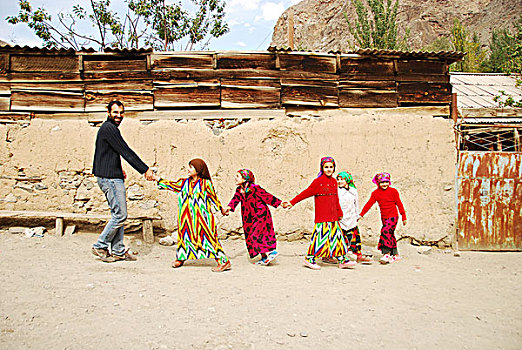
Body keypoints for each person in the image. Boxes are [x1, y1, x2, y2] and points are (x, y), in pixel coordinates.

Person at [91, 100, 154, 262]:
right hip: (109, 178)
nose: (119, 116)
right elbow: (126, 151)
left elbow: (109, 152)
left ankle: (118, 250)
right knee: (120, 215)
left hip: (112, 175)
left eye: (121, 113)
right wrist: (144, 169)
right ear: (108, 113)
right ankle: (100, 245)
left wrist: (118, 168)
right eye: (115, 113)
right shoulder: (109, 129)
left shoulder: (109, 129)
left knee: (118, 214)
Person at [155, 158, 231, 272]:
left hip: (203, 218)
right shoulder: (184, 182)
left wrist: (222, 209)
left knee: (209, 238)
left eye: (191, 167)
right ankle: (181, 257)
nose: (188, 169)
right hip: (186, 218)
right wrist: (157, 179)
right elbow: (171, 185)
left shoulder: (206, 184)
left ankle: (223, 262)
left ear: (199, 169)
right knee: (185, 237)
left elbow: (214, 198)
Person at [282, 157, 356, 270]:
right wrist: (292, 202)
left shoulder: (333, 182)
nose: (329, 169)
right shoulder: (318, 182)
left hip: (333, 218)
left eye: (331, 167)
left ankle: (342, 260)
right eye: (326, 167)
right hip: (322, 217)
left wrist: (339, 212)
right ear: (322, 168)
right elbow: (306, 193)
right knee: (320, 239)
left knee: (337, 238)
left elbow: (336, 199)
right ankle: (309, 259)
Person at [225, 169, 281, 266]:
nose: (235, 178)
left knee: (257, 234)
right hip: (248, 216)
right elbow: (235, 200)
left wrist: (280, 203)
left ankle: (271, 252)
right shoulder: (239, 190)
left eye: (238, 176)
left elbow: (267, 196)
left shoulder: (255, 188)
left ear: (245, 178)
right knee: (250, 236)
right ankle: (263, 257)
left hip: (260, 215)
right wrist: (229, 208)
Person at [359, 172, 407, 264]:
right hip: (384, 217)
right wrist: (361, 214)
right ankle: (395, 254)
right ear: (378, 183)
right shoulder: (375, 193)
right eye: (382, 182)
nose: (384, 184)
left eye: (386, 182)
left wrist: (403, 216)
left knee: (385, 231)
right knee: (390, 233)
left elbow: (399, 204)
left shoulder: (393, 191)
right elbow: (369, 204)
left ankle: (386, 253)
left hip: (393, 216)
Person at [337, 171, 372, 264]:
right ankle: (342, 256)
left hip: (351, 218)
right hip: (341, 219)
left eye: (342, 179)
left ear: (347, 180)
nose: (340, 181)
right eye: (338, 179)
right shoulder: (338, 191)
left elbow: (356, 203)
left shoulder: (353, 190)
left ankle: (358, 255)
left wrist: (357, 215)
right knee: (341, 238)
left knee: (355, 238)